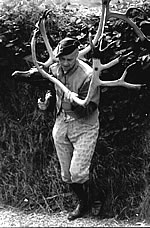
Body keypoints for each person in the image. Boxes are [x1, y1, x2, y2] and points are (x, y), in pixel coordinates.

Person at [38, 37, 100, 220]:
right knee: (66, 175)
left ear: (77, 57)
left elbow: (91, 106)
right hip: (61, 124)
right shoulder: (54, 68)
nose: (65, 63)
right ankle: (83, 200)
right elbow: (51, 87)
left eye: (69, 60)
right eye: (62, 59)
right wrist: (47, 101)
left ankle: (94, 199)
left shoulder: (88, 75)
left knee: (77, 172)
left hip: (84, 126)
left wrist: (72, 99)